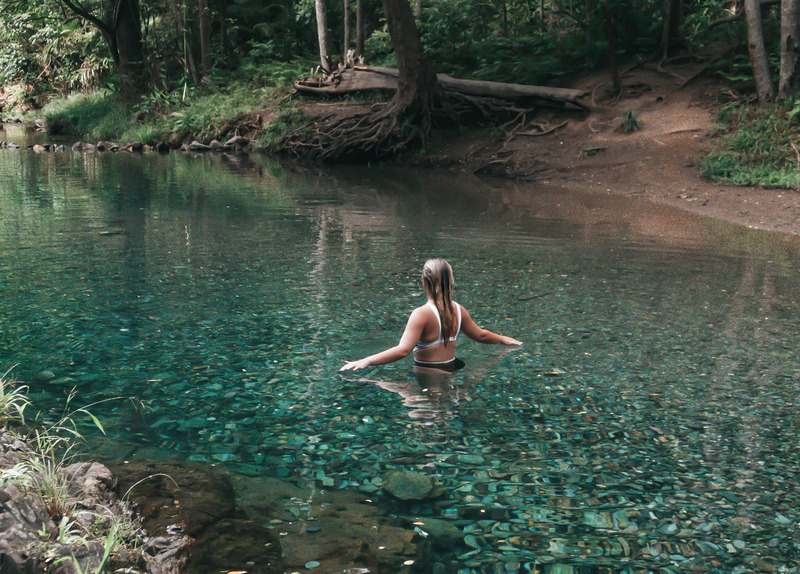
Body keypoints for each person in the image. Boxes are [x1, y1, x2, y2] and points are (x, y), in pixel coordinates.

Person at [339, 258, 522, 372]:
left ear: (424, 282)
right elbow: (481, 335)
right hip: (452, 367)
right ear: (451, 281)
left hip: (429, 373)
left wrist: (367, 360)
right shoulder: (459, 309)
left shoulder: (421, 314)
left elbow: (403, 350)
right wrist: (502, 338)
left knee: (408, 405)